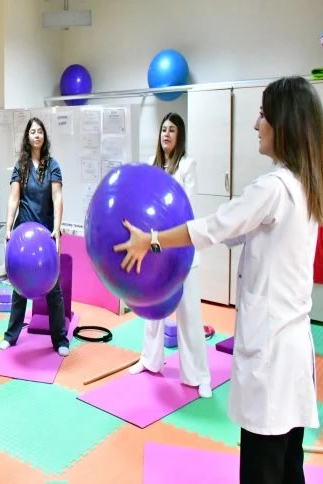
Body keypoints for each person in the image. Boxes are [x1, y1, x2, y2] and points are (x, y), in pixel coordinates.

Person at [114, 76, 323, 484]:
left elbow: (212, 227)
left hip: (271, 355)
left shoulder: (274, 188)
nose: (255, 124)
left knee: (264, 469)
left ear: (282, 124)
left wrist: (152, 240)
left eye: (262, 114)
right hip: (293, 356)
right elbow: (231, 233)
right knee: (288, 468)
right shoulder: (305, 187)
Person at [128, 112, 213, 398]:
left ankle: (199, 375)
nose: (166, 134)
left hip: (182, 250)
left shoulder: (188, 165)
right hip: (155, 250)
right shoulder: (153, 168)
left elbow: (185, 207)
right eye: (163, 129)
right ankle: (149, 360)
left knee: (189, 313)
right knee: (153, 311)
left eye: (172, 129)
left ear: (180, 135)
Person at [0, 117, 69, 357]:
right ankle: (11, 336)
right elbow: (14, 198)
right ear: (27, 137)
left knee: (54, 289)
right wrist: (8, 227)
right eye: (33, 131)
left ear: (44, 137)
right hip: (23, 234)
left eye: (40, 131)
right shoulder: (21, 166)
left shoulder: (53, 165)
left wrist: (57, 230)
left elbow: (58, 198)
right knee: (19, 288)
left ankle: (60, 339)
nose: (37, 135)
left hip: (46, 234)